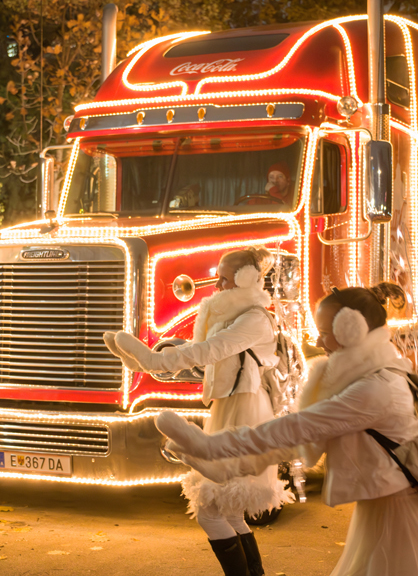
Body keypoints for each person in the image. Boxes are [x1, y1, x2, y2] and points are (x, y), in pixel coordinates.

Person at [153, 286, 418, 576]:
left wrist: (210, 446)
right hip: (387, 518)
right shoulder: (374, 376)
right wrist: (227, 464)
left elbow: (297, 429)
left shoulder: (376, 388)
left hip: (404, 529)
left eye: (325, 333)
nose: (320, 342)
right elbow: (294, 443)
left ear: (352, 330)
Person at [102, 247, 294, 576]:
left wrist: (154, 361)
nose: (216, 286)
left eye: (223, 279)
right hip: (233, 407)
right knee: (231, 513)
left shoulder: (254, 319)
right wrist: (156, 359)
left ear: (246, 279)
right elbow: (209, 357)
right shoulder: (236, 315)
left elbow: (211, 350)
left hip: (246, 411)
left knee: (210, 512)